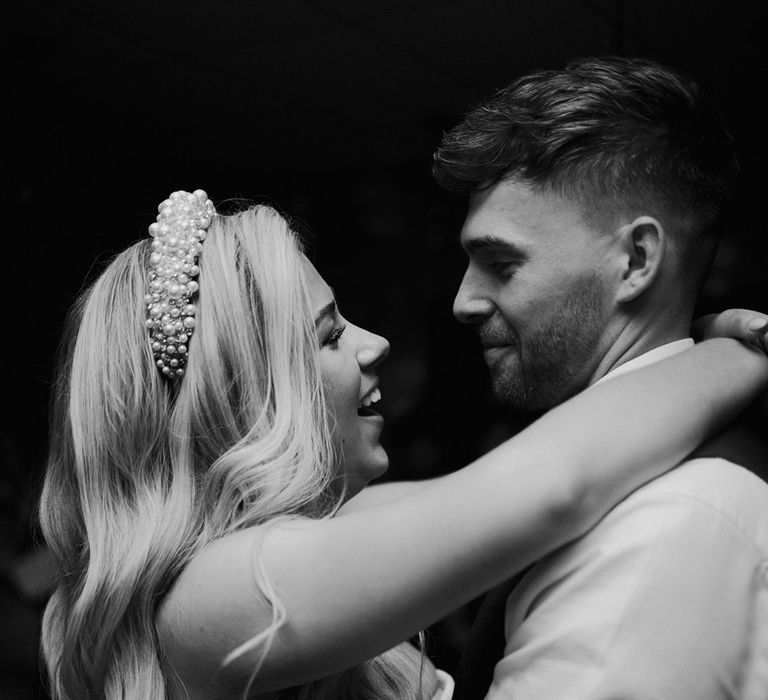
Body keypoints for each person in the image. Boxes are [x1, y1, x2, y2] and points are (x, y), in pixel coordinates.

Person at [38, 190, 768, 700]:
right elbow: (555, 483)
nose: (375, 344)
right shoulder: (214, 596)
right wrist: (742, 355)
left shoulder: (330, 538)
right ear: (243, 399)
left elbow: (549, 468)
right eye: (328, 335)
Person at [433, 55, 768, 698]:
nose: (463, 301)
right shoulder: (616, 478)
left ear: (637, 260)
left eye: (501, 263)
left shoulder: (660, 518)